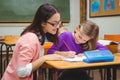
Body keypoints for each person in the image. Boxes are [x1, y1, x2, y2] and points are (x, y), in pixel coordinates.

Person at [1, 3, 63, 80]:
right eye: (54, 23)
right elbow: (21, 72)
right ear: (43, 23)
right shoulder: (30, 39)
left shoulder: (39, 36)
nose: (57, 26)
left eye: (59, 22)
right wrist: (44, 58)